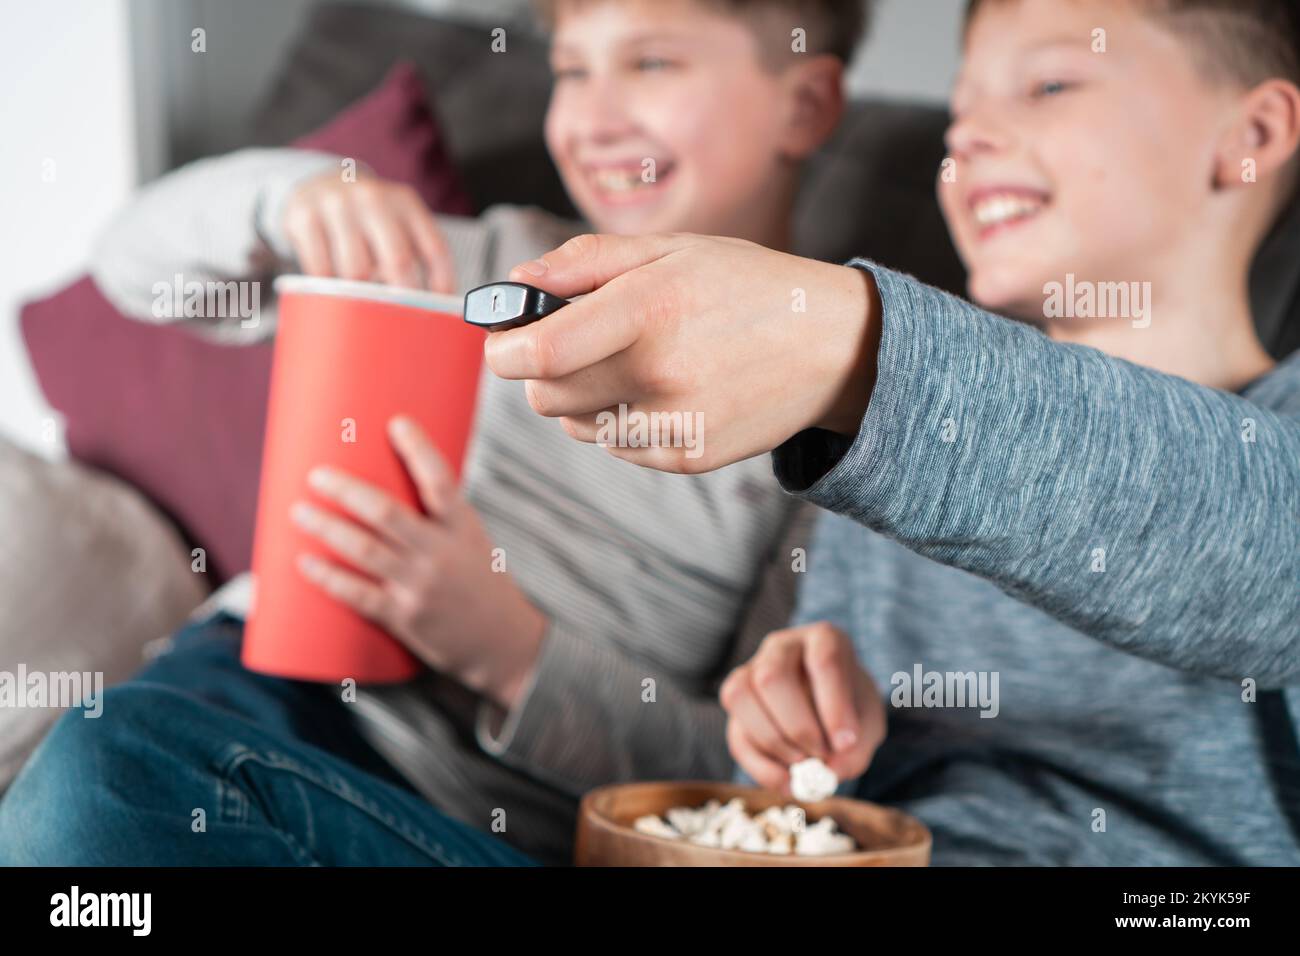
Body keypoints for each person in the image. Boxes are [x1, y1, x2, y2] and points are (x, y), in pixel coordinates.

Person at [0, 0, 868, 865]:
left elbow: (749, 777)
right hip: (244, 688)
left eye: (650, 65)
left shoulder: (831, 410)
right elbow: (132, 268)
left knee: (97, 785)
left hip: (457, 810)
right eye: (572, 70)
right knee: (96, 774)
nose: (594, 118)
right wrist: (289, 196)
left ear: (804, 105)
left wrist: (508, 654)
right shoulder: (479, 263)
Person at [481, 0, 1300, 863]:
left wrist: (863, 353)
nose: (971, 135)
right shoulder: (865, 462)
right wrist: (809, 732)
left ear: (1252, 134)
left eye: (1049, 84)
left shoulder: (878, 404)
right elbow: (799, 801)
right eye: (961, 108)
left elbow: (1272, 559)